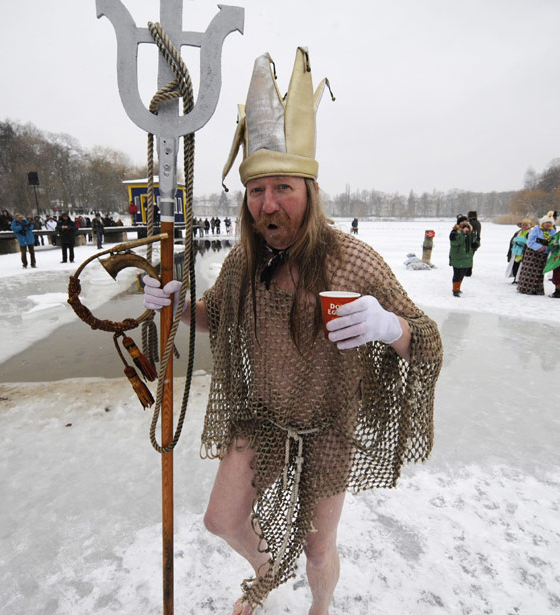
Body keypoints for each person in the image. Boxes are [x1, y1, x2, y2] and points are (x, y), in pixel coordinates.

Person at [142, 48, 441, 615]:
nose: (268, 203)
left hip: (329, 426)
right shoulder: (244, 261)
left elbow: (425, 342)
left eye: (283, 187)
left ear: (311, 192)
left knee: (318, 548)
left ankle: (320, 608)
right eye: (257, 191)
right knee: (220, 519)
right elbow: (216, 316)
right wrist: (178, 309)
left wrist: (388, 325)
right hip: (262, 415)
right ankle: (266, 570)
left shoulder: (352, 261)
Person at [517, 212, 557, 295]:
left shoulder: (552, 231)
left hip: (543, 254)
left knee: (539, 272)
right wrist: (539, 247)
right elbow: (530, 242)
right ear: (543, 223)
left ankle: (536, 290)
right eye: (547, 222)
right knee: (529, 271)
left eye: (550, 223)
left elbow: (552, 242)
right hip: (532, 253)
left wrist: (547, 248)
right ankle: (525, 288)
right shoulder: (536, 229)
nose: (548, 224)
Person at [449, 214, 479, 297]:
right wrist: (463, 233)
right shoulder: (455, 232)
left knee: (462, 274)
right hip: (457, 256)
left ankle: (458, 288)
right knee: (457, 274)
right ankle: (455, 290)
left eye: (466, 221)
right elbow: (456, 242)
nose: (464, 223)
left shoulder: (470, 231)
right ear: (459, 223)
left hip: (467, 256)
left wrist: (476, 242)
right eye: (462, 221)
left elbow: (473, 243)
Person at [505, 218, 533, 283]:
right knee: (515, 265)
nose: (524, 226)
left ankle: (520, 279)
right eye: (523, 225)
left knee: (522, 266)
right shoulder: (518, 232)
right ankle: (515, 278)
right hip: (515, 252)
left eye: (526, 225)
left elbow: (529, 242)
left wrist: (520, 241)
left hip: (524, 252)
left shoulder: (531, 233)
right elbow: (512, 241)